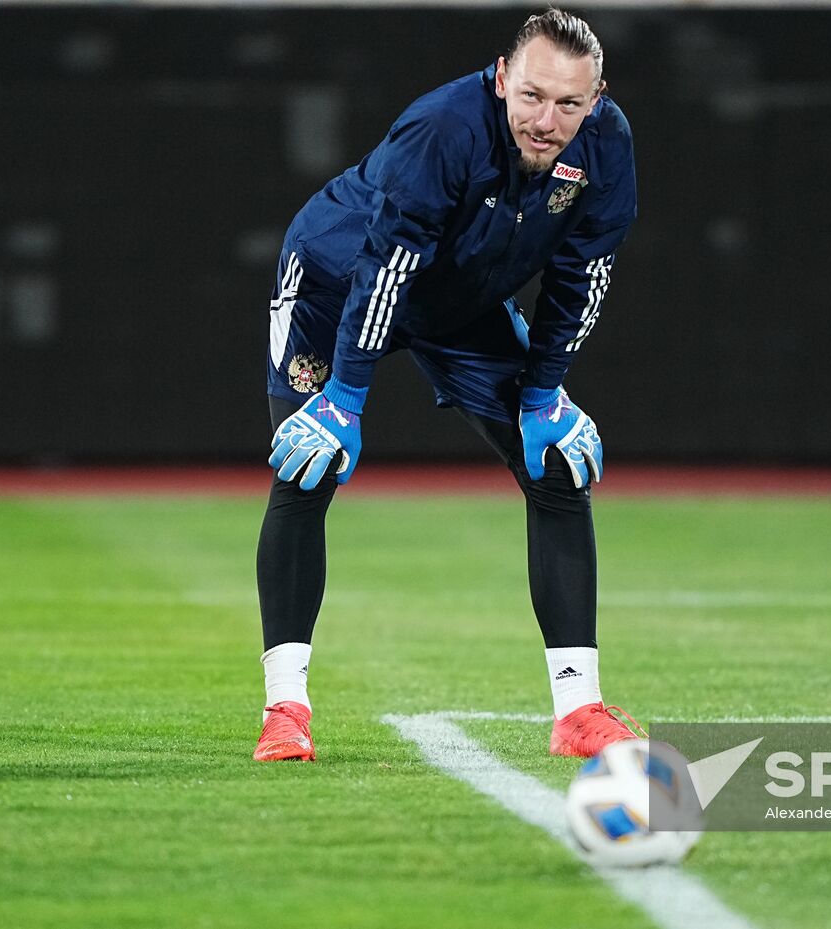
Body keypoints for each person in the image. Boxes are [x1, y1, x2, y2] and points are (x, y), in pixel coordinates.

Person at [253, 9, 640, 762]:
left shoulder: (606, 144)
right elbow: (387, 265)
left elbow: (583, 274)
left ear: (596, 100)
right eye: (532, 96)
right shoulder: (443, 128)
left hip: (459, 299)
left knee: (556, 466)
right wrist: (344, 400)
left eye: (568, 103)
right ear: (501, 78)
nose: (546, 121)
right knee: (307, 465)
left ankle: (579, 711)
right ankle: (285, 709)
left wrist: (544, 394)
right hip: (340, 280)